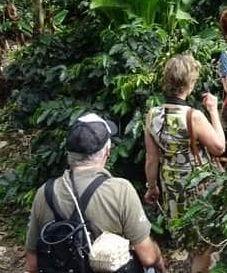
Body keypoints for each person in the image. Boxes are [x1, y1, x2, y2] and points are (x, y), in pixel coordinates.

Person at [26, 113, 168, 273]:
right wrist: (159, 262)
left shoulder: (44, 192)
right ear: (107, 151)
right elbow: (148, 257)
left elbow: (32, 264)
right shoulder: (120, 190)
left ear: (69, 155)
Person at [143, 55, 226, 273]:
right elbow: (219, 147)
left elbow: (152, 159)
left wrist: (152, 188)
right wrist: (214, 111)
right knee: (204, 243)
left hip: (171, 187)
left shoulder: (152, 115)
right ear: (190, 83)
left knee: (188, 237)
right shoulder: (193, 115)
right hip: (196, 187)